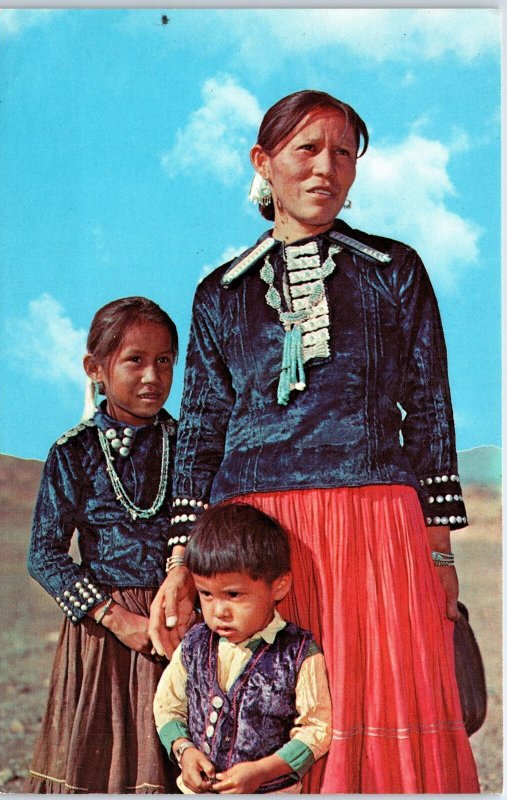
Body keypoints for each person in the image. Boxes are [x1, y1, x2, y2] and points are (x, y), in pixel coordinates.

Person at [148, 90, 480, 793]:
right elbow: (203, 425)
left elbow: (427, 409)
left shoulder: (394, 272)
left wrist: (437, 549)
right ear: (262, 163)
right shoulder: (220, 293)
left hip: (375, 527)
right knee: (268, 722)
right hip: (259, 534)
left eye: (341, 153)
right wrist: (181, 561)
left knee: (374, 707)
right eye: (305, 149)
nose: (325, 169)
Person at [26, 296, 180, 794]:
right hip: (104, 634)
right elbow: (43, 554)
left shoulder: (191, 444)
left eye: (164, 361)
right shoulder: (73, 452)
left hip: (178, 620)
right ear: (95, 367)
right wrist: (115, 617)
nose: (152, 376)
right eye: (134, 360)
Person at [153, 502, 332, 794]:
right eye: (206, 594)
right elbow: (167, 706)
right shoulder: (194, 644)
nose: (219, 610)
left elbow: (317, 730)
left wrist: (263, 771)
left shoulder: (298, 652)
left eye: (233, 595)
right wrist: (184, 751)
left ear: (280, 586)